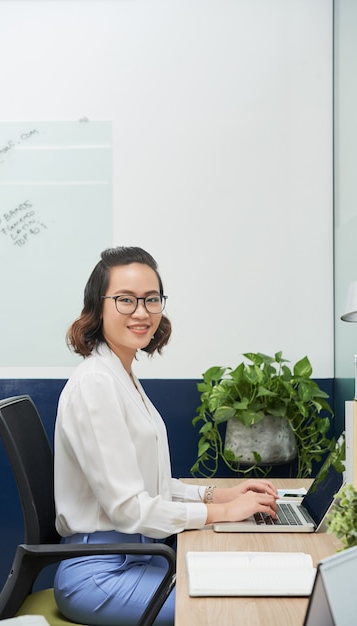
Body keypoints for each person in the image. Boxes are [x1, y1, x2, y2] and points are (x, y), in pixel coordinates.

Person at [53, 246, 278, 626]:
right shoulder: (95, 384)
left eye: (151, 299)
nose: (141, 312)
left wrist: (218, 494)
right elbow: (128, 508)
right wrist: (221, 513)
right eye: (126, 300)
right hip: (101, 576)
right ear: (98, 307)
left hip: (141, 560)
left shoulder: (121, 376)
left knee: (254, 587)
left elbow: (145, 484)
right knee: (235, 611)